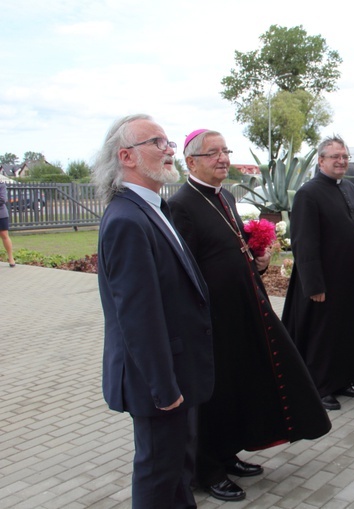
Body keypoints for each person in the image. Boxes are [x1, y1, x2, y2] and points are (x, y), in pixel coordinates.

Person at [168, 129, 331, 501]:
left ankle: (227, 454)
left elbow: (235, 246)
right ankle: (206, 470)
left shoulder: (224, 195)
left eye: (225, 151)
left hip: (243, 312)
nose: (223, 158)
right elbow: (185, 271)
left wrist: (259, 260)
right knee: (211, 399)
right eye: (213, 153)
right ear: (191, 162)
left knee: (234, 391)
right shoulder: (181, 205)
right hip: (212, 322)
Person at [93, 114, 214, 508]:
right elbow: (138, 318)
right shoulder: (127, 219)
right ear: (126, 156)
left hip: (175, 373)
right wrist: (164, 389)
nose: (169, 150)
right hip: (159, 383)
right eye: (157, 143)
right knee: (158, 474)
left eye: (168, 142)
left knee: (177, 470)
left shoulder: (152, 207)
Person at [283, 135, 354, 411]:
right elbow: (304, 243)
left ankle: (341, 380)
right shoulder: (308, 193)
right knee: (321, 336)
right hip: (322, 282)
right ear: (321, 160)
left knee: (345, 332)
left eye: (345, 156)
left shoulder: (349, 188)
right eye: (335, 156)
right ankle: (319, 386)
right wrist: (314, 284)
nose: (341, 161)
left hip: (350, 280)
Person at [0, 180, 15, 267]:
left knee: (4, 235)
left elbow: (2, 199)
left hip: (1, 215)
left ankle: (11, 258)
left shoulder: (1, 185)